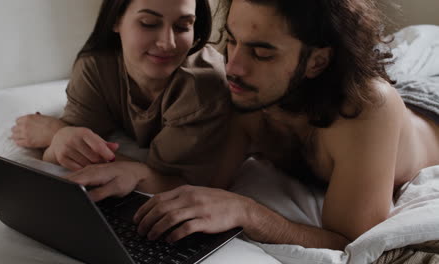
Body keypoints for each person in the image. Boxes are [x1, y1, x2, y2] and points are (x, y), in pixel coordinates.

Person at [131, 0, 439, 250]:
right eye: (232, 40)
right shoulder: (247, 92)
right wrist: (134, 174)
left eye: (261, 53)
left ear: (317, 62)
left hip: (429, 108)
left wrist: (248, 212)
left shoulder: (364, 110)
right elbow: (206, 183)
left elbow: (349, 243)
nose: (232, 67)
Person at [10, 0, 231, 199]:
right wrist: (62, 136)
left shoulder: (201, 86)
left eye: (183, 26)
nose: (168, 43)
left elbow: (173, 183)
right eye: (149, 23)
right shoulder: (96, 67)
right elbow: (62, 157)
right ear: (116, 21)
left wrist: (53, 132)